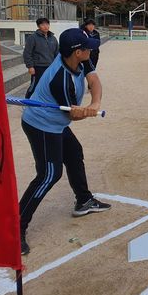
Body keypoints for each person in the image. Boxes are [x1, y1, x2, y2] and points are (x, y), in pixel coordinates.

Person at [19, 28, 111, 255]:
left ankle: (83, 200)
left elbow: (94, 81)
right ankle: (15, 228)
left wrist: (94, 104)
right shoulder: (60, 79)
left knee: (74, 152)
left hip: (56, 124)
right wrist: (82, 112)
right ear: (77, 52)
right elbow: (72, 115)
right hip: (40, 124)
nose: (91, 49)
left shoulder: (80, 61)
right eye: (87, 47)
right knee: (49, 174)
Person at [23, 17, 58, 99]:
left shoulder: (53, 38)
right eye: (42, 24)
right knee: (35, 85)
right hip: (38, 67)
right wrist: (30, 66)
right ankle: (28, 100)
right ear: (38, 26)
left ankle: (43, 100)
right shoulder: (33, 38)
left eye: (47, 24)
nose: (45, 26)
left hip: (50, 67)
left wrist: (56, 65)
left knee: (49, 85)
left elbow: (57, 52)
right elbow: (27, 53)